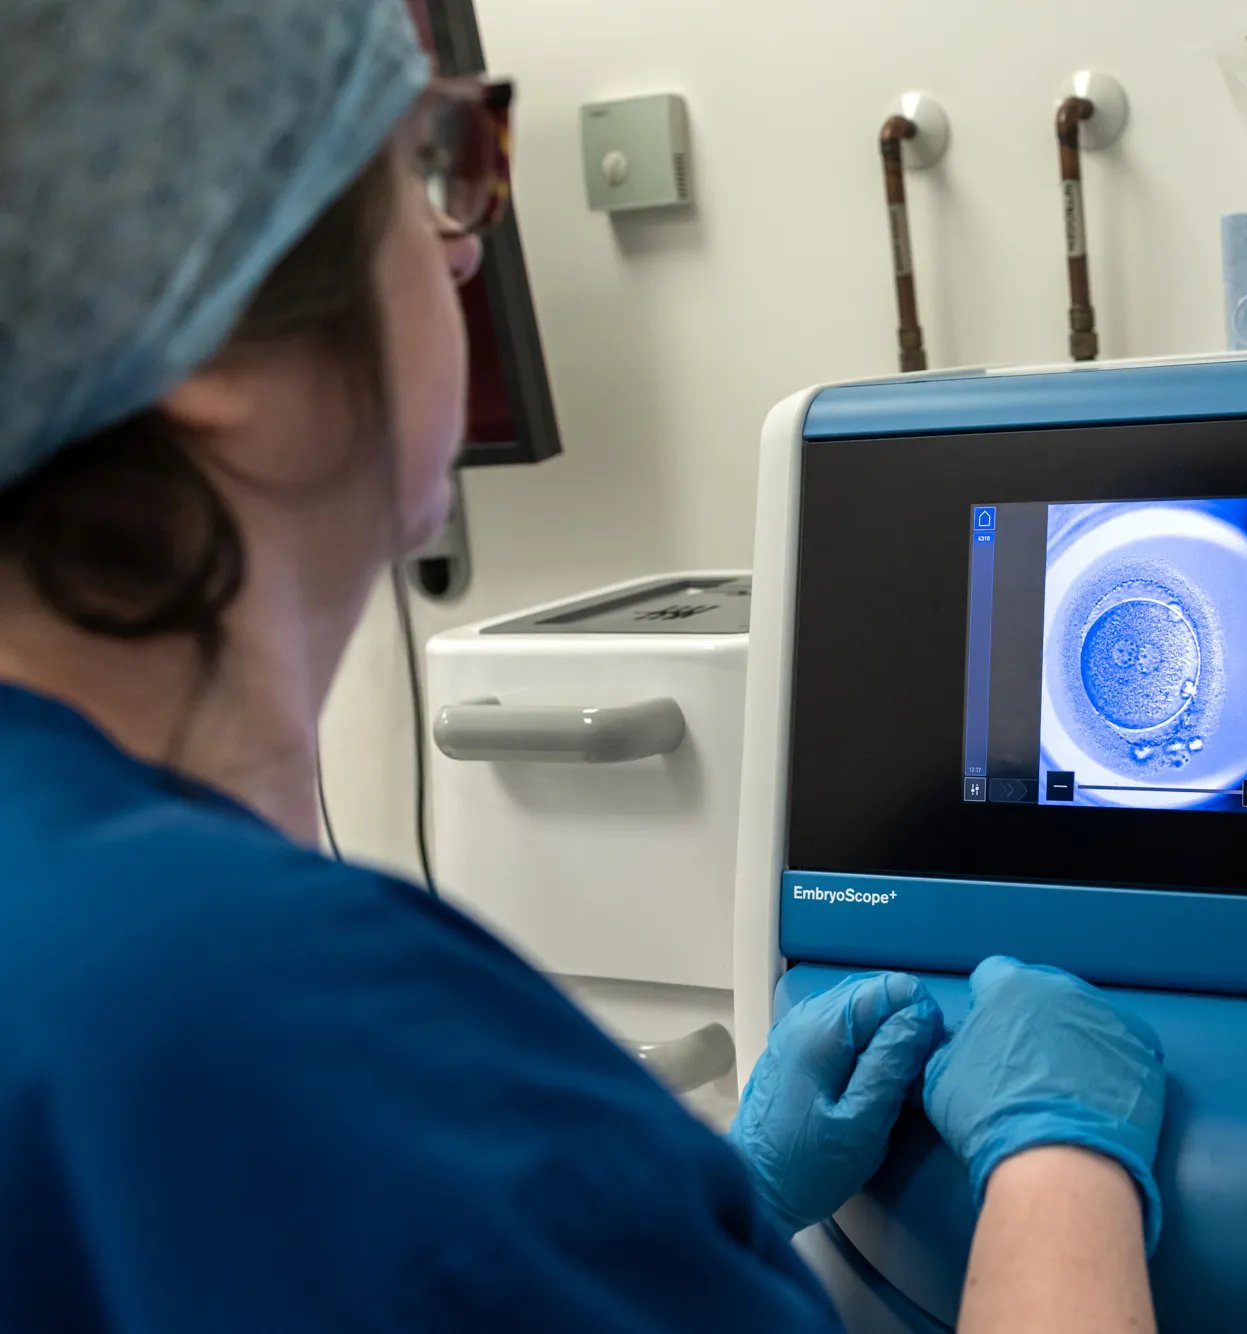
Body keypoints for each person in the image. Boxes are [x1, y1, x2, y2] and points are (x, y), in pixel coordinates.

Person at [0, 2, 1168, 1330]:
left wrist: (682, 1201)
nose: (457, 254)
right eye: (422, 169)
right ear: (195, 332)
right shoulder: (301, 1031)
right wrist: (1059, 1167)